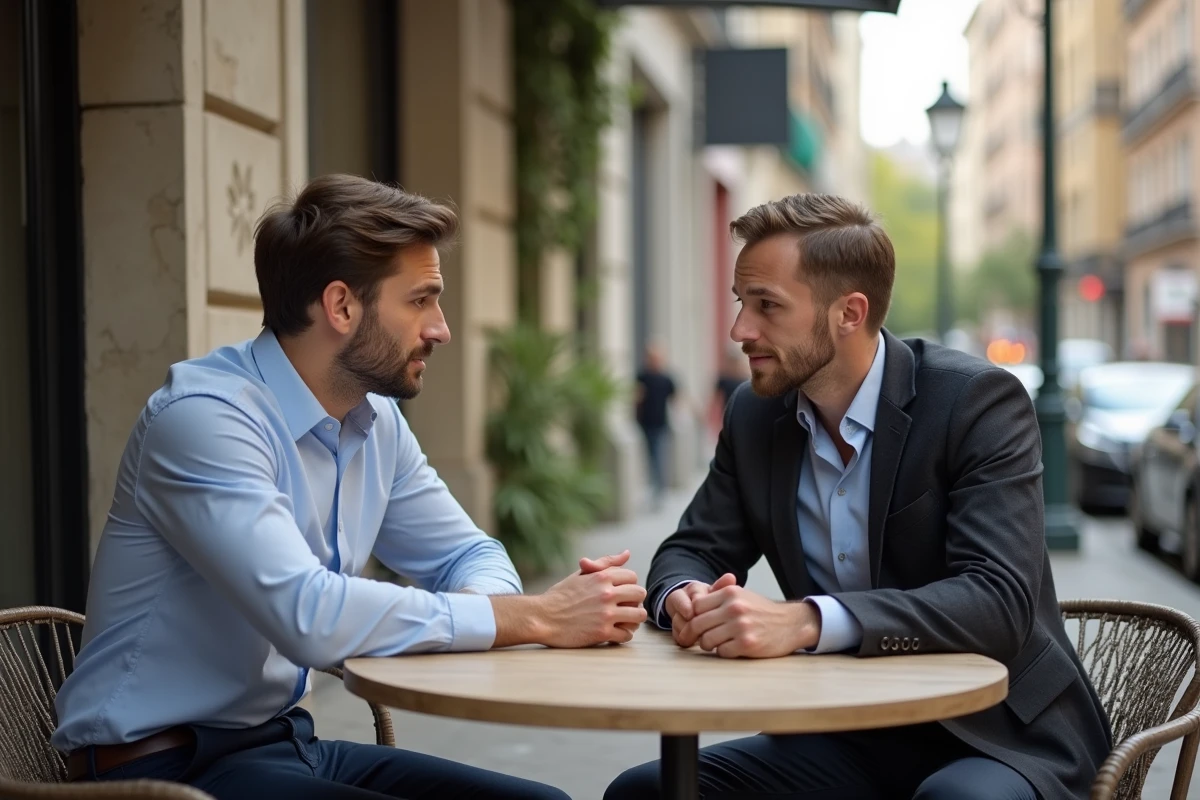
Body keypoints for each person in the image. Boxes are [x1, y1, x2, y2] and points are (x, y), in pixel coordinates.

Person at [52, 174, 649, 800]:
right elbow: (308, 615)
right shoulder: (205, 418)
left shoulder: (374, 418)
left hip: (282, 744)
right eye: (421, 300)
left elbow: (468, 556)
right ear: (341, 306)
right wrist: (533, 616)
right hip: (161, 769)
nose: (441, 328)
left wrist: (505, 612)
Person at [606, 193, 1112, 800]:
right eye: (744, 303)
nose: (741, 330)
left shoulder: (975, 402)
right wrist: (683, 598)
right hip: (843, 731)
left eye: (767, 306)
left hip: (1001, 734)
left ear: (849, 312)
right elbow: (691, 547)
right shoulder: (753, 414)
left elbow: (997, 599)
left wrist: (804, 621)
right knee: (647, 791)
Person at [635, 342, 676, 507]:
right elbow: (637, 398)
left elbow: (675, 399)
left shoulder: (667, 379)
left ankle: (659, 489)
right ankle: (656, 486)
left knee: (658, 456)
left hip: (661, 423)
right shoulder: (642, 376)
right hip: (645, 423)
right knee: (651, 456)